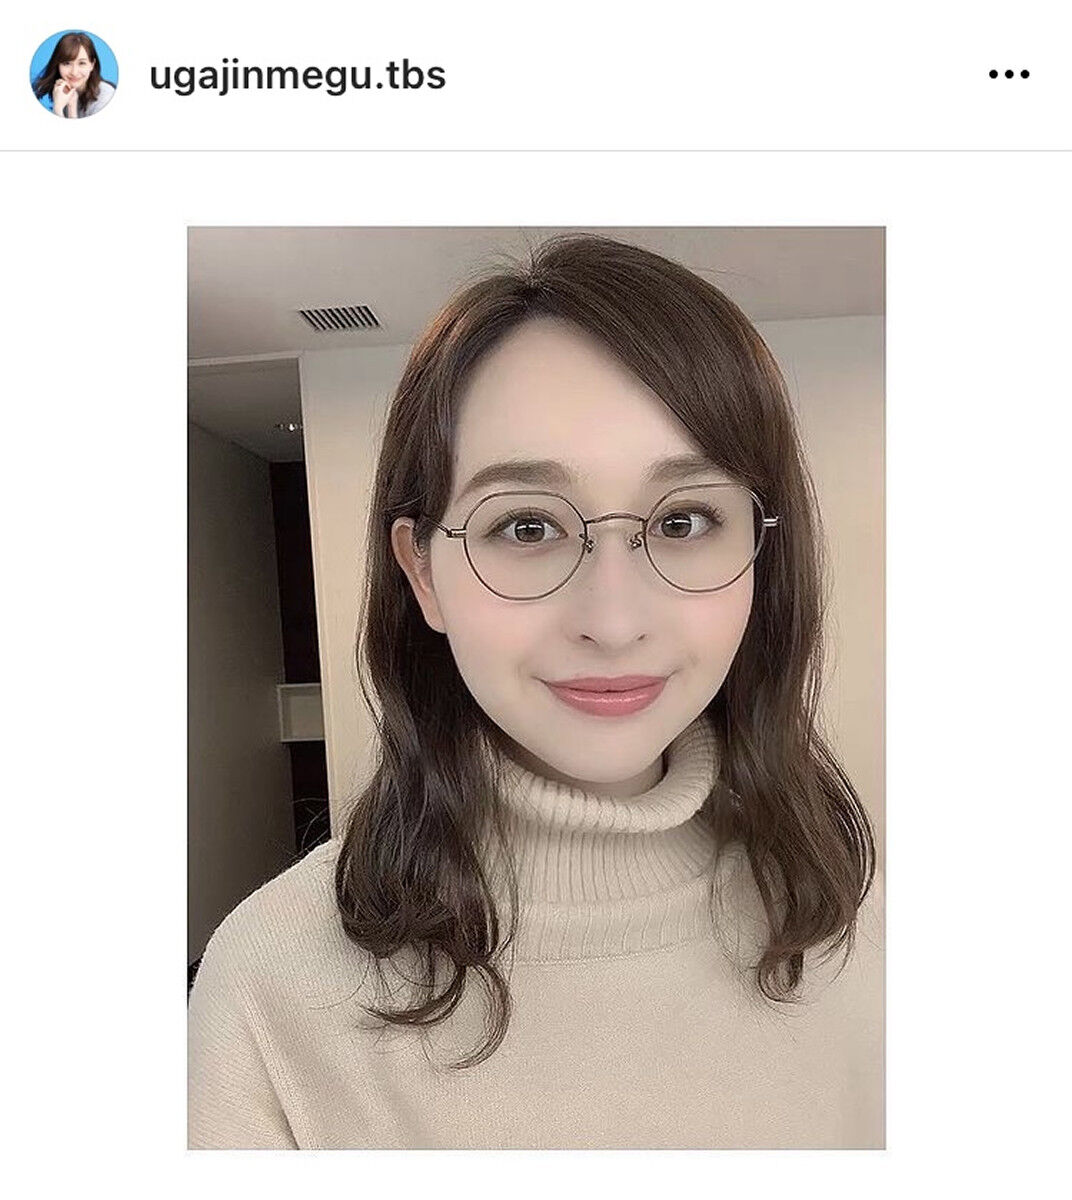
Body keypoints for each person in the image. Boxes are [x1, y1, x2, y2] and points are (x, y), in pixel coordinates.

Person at [188, 234, 883, 1149]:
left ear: (761, 553)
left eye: (684, 520)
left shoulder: (864, 921)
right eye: (526, 526)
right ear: (423, 573)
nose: (614, 620)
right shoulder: (272, 985)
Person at [32, 32, 116, 119]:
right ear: (57, 65)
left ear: (92, 65)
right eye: (67, 63)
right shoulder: (64, 92)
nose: (74, 72)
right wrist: (71, 107)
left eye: (82, 63)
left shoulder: (105, 98)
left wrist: (57, 109)